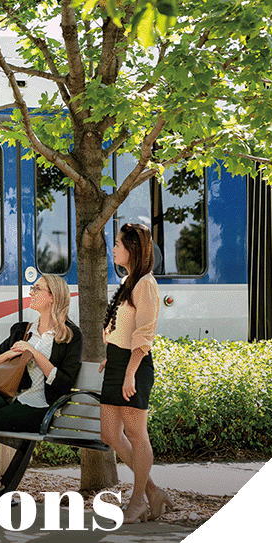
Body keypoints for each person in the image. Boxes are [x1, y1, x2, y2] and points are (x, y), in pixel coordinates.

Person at [0, 274, 82, 513]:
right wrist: (10, 354)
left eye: (37, 289)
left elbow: (65, 384)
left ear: (52, 297)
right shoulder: (23, 330)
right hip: (10, 399)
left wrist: (35, 353)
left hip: (40, 408)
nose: (31, 292)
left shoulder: (70, 336)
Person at [100, 222, 168, 523]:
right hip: (116, 362)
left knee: (136, 435)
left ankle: (137, 500)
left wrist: (129, 374)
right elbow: (122, 329)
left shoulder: (146, 285)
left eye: (118, 244)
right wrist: (109, 356)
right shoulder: (130, 281)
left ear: (133, 249)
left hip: (134, 366)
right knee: (110, 434)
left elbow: (143, 335)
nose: (113, 248)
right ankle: (152, 491)